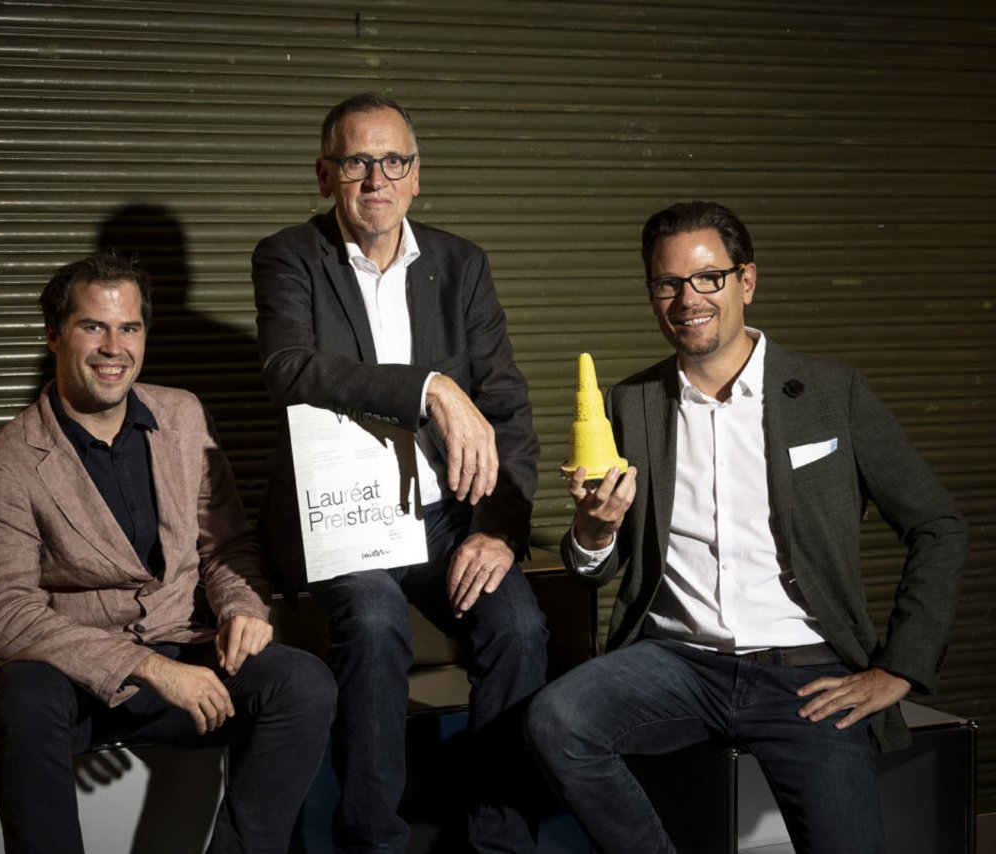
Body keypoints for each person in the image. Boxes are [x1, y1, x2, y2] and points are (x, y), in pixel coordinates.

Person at [525, 200, 968, 853]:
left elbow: (938, 526)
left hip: (804, 675)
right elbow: (597, 566)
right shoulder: (631, 403)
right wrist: (594, 530)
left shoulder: (832, 394)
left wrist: (901, 668)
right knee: (556, 720)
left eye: (708, 278)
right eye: (668, 283)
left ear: (747, 281)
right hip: (676, 661)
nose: (688, 299)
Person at [0, 252, 335, 854]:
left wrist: (241, 608)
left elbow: (227, 544)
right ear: (54, 335)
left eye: (129, 328)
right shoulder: (6, 463)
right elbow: (7, 616)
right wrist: (152, 669)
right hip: (76, 683)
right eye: (93, 327)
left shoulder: (183, 415)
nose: (114, 348)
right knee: (23, 694)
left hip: (185, 648)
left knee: (304, 683)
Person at [252, 92, 548, 852]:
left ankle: (498, 842)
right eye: (357, 161)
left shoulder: (461, 265)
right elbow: (289, 368)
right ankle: (370, 841)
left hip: (441, 514)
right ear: (326, 175)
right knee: (376, 617)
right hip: (338, 512)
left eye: (393, 161)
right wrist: (429, 388)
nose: (376, 179)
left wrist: (499, 530)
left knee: (517, 624)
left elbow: (507, 410)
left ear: (417, 175)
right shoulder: (288, 256)